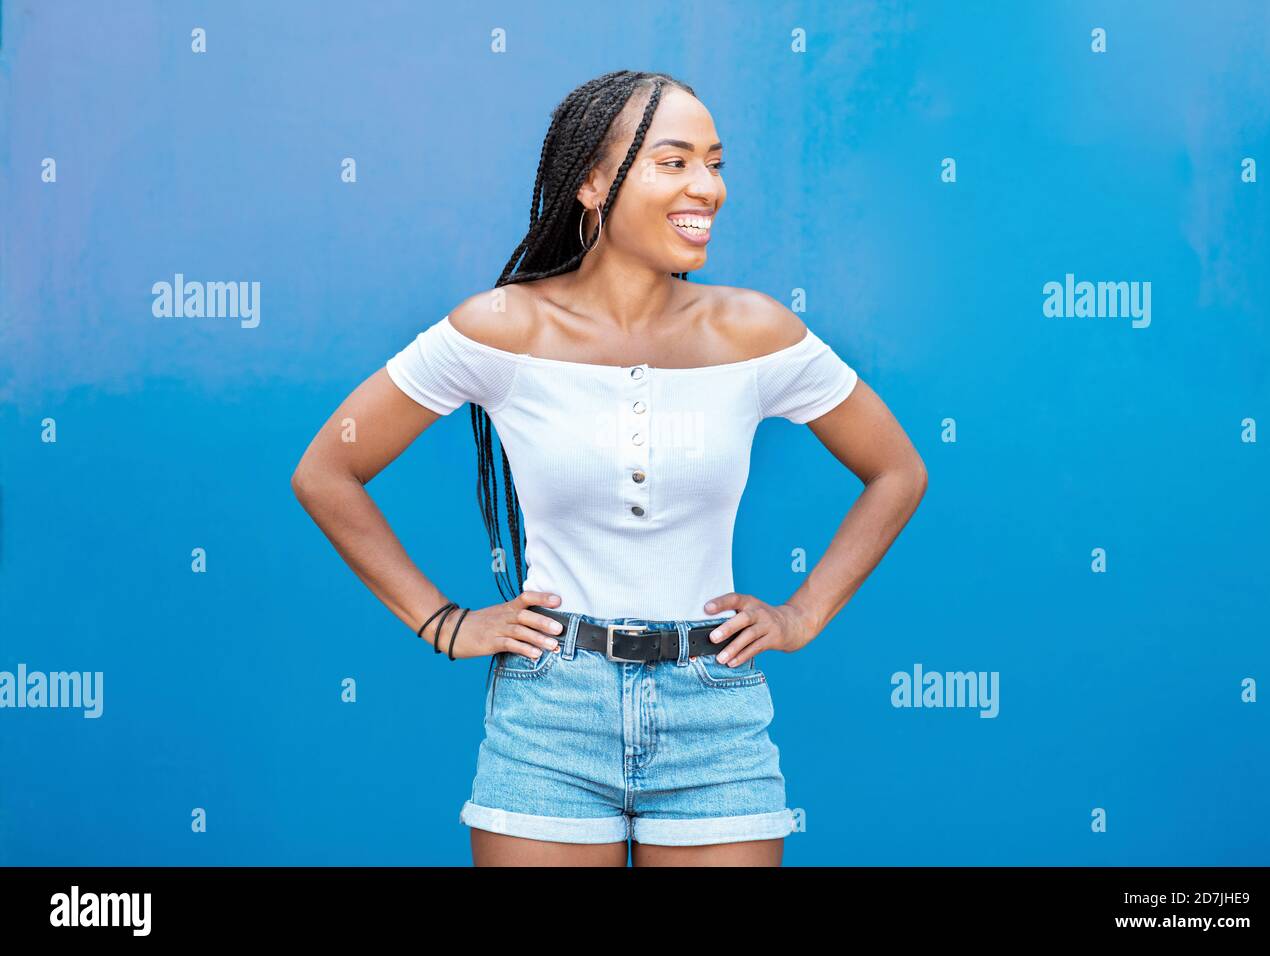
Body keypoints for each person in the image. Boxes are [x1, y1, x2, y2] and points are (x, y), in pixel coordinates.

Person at [291, 70, 927, 867]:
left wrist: (802, 616)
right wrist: (444, 623)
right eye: (674, 162)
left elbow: (897, 470)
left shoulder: (755, 331)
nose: (709, 188)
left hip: (716, 721)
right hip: (549, 723)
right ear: (593, 181)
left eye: (716, 162)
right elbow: (326, 469)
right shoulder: (504, 328)